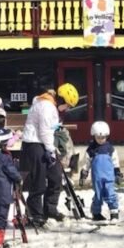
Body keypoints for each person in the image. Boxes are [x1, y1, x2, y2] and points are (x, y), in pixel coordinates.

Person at [21, 82, 79, 227]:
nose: (68, 109)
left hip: (45, 143)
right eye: (68, 105)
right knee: (39, 181)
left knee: (56, 176)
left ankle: (50, 208)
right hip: (34, 143)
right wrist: (51, 150)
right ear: (62, 100)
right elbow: (44, 131)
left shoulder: (52, 106)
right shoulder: (46, 106)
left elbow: (52, 129)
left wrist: (53, 147)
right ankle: (35, 213)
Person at [87, 121, 119, 221]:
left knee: (110, 193)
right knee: (98, 195)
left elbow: (115, 161)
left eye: (103, 138)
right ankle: (96, 214)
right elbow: (87, 163)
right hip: (97, 178)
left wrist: (117, 172)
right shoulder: (91, 150)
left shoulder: (110, 149)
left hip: (109, 176)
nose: (101, 140)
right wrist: (84, 172)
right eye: (98, 138)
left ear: (107, 136)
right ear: (94, 136)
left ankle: (114, 213)